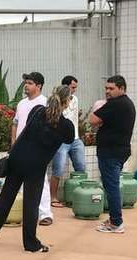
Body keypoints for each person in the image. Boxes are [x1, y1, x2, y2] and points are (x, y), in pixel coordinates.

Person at [0, 85, 74, 252]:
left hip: (18, 159)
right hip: (36, 166)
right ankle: (31, 243)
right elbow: (69, 139)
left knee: (7, 195)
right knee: (31, 204)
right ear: (67, 102)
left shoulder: (38, 110)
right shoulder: (66, 125)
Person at [90, 75, 136, 234]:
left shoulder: (115, 104)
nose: (107, 91)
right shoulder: (127, 103)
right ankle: (114, 219)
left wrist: (99, 114)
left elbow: (93, 119)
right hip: (119, 151)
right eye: (106, 88)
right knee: (112, 185)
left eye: (111, 88)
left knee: (111, 187)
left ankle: (116, 222)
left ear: (122, 88)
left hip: (110, 152)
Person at [12, 72, 52, 225]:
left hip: (38, 149)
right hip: (20, 148)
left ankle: (45, 214)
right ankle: (24, 214)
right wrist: (13, 143)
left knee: (41, 181)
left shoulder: (45, 103)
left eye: (29, 83)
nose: (26, 86)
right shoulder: (21, 103)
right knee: (20, 181)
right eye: (25, 83)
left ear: (39, 86)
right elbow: (15, 123)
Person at [50, 75, 86, 207]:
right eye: (73, 87)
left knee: (81, 167)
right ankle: (53, 197)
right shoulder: (56, 103)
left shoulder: (75, 99)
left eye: (76, 87)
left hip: (75, 139)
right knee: (58, 169)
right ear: (65, 87)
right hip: (61, 141)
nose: (75, 90)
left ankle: (81, 195)